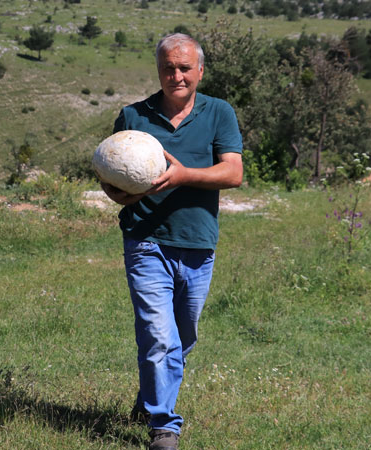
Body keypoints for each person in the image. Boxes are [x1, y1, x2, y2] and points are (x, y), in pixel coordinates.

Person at [101, 33, 243, 450]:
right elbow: (112, 174)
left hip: (198, 242)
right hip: (146, 240)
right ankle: (164, 427)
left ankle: (149, 398)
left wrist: (183, 175)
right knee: (158, 335)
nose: (176, 76)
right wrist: (119, 193)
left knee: (183, 336)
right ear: (158, 70)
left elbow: (233, 173)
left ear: (200, 70)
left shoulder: (219, 112)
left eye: (184, 68)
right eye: (168, 68)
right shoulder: (133, 116)